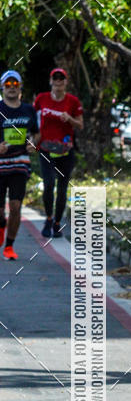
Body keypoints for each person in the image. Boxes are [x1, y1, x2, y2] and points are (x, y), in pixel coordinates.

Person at [34, 68, 83, 238]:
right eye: (55, 78)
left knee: (62, 189)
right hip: (46, 149)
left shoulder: (73, 101)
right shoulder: (41, 99)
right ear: (50, 81)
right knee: (48, 184)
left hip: (65, 151)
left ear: (66, 82)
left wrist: (70, 119)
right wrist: (31, 141)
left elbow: (80, 124)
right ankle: (48, 219)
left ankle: (57, 223)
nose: (58, 81)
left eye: (61, 78)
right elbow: (34, 120)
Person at [0, 70, 39, 260]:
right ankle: (1, 225)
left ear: (20, 87)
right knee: (0, 212)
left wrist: (33, 142)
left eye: (15, 84)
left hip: (20, 164)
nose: (12, 88)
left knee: (15, 206)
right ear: (2, 87)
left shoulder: (28, 110)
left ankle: (9, 246)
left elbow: (36, 134)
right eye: (8, 85)